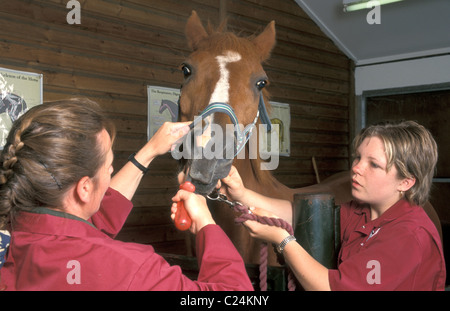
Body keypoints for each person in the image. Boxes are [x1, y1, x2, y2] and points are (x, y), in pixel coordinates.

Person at [0, 98, 252, 291]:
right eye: (109, 165)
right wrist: (206, 223)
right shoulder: (133, 270)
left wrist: (150, 151)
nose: (112, 170)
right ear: (84, 188)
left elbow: (83, 227)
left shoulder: (22, 239)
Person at [219, 121, 446, 290]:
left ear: (405, 182)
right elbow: (300, 215)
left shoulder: (407, 236)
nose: (356, 168)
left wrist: (282, 240)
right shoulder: (362, 211)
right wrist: (242, 193)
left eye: (373, 164)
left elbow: (329, 288)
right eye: (358, 158)